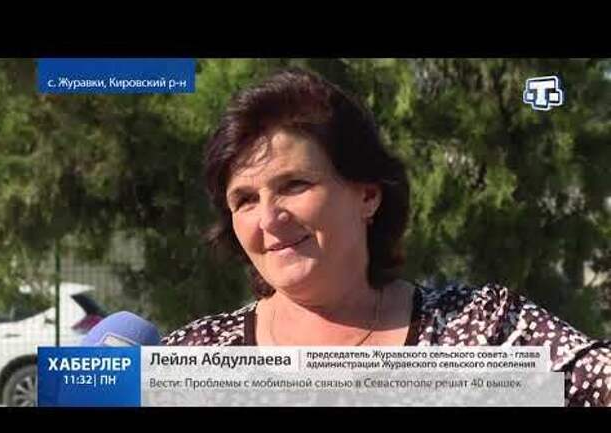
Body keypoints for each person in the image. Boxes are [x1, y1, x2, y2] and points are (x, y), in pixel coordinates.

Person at [161, 67, 611, 407]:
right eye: (244, 200)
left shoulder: (486, 331)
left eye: (294, 185)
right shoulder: (194, 359)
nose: (269, 218)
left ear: (368, 195)